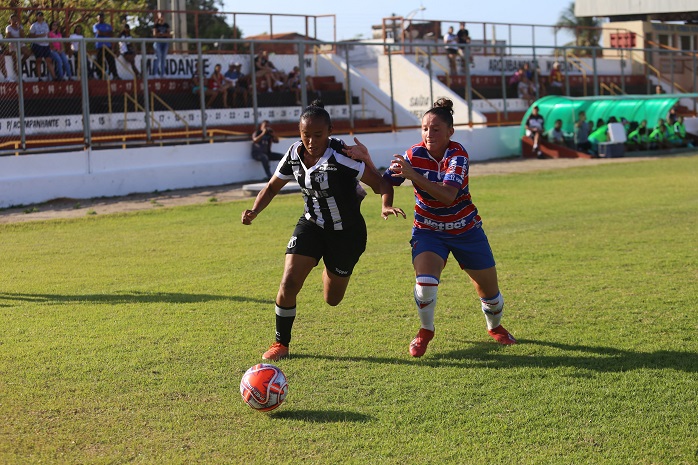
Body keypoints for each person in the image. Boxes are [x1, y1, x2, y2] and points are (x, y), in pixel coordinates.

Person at [241, 100, 405, 361]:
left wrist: (386, 205)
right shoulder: (293, 154)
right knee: (289, 281)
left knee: (332, 299)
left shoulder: (342, 156)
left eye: (318, 135)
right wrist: (254, 210)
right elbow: (272, 187)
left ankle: (329, 266)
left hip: (346, 234)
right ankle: (281, 344)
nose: (311, 141)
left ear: (329, 131)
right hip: (312, 225)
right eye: (305, 135)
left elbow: (382, 184)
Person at [383, 98, 516, 358]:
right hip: (428, 230)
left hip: (466, 230)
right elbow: (386, 180)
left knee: (491, 296)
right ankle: (426, 331)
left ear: (449, 132)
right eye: (424, 128)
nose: (428, 134)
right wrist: (386, 203)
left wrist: (412, 175)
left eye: (435, 129)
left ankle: (495, 327)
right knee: (425, 283)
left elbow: (448, 196)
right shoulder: (413, 155)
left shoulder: (458, 154)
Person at [29, 12, 56, 82]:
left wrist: (50, 43)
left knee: (49, 60)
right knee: (39, 60)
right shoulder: (33, 25)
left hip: (46, 45)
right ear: (36, 17)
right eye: (39, 16)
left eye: (41, 16)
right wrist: (39, 36)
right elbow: (30, 36)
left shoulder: (46, 24)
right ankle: (39, 78)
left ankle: (54, 77)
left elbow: (48, 35)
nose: (40, 17)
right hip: (38, 44)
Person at [93, 12, 120, 80]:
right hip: (99, 46)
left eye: (102, 17)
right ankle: (100, 76)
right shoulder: (95, 26)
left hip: (108, 46)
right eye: (99, 17)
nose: (101, 18)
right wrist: (106, 33)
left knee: (111, 60)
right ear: (97, 18)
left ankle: (115, 75)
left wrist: (103, 33)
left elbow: (111, 34)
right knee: (99, 61)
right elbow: (99, 33)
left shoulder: (108, 25)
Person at [5, 14, 32, 81]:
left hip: (21, 44)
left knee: (28, 53)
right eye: (13, 19)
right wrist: (17, 39)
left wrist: (19, 27)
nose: (15, 20)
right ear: (10, 20)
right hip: (13, 45)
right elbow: (8, 36)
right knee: (15, 61)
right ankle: (19, 77)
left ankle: (22, 61)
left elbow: (22, 36)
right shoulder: (8, 27)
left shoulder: (20, 27)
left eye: (15, 19)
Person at [152, 12, 170, 77]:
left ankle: (163, 73)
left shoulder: (166, 25)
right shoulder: (156, 25)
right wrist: (161, 34)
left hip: (165, 42)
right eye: (160, 16)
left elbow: (168, 34)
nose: (162, 17)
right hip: (158, 42)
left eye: (163, 16)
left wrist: (161, 34)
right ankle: (155, 73)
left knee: (163, 58)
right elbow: (155, 34)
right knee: (158, 57)